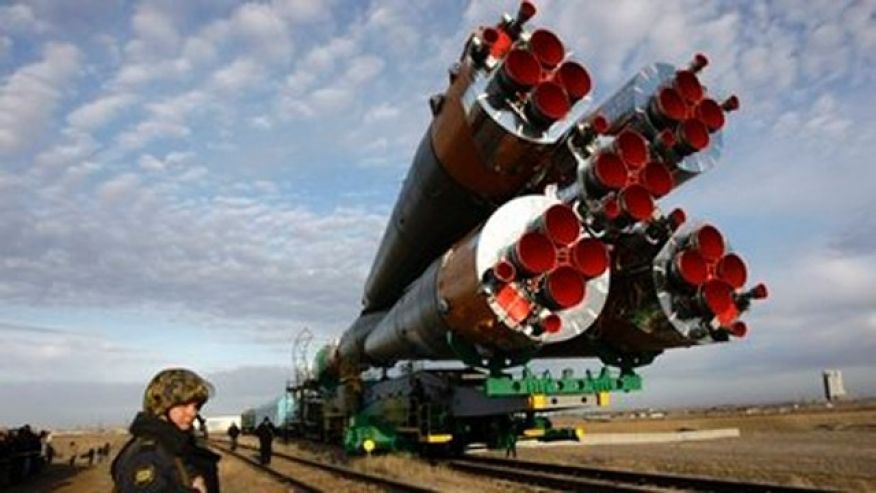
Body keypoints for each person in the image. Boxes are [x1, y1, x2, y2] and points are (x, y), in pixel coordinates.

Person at [111, 368, 221, 493]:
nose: (192, 412)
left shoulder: (173, 446)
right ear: (160, 407)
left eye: (196, 406)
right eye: (184, 405)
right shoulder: (146, 455)